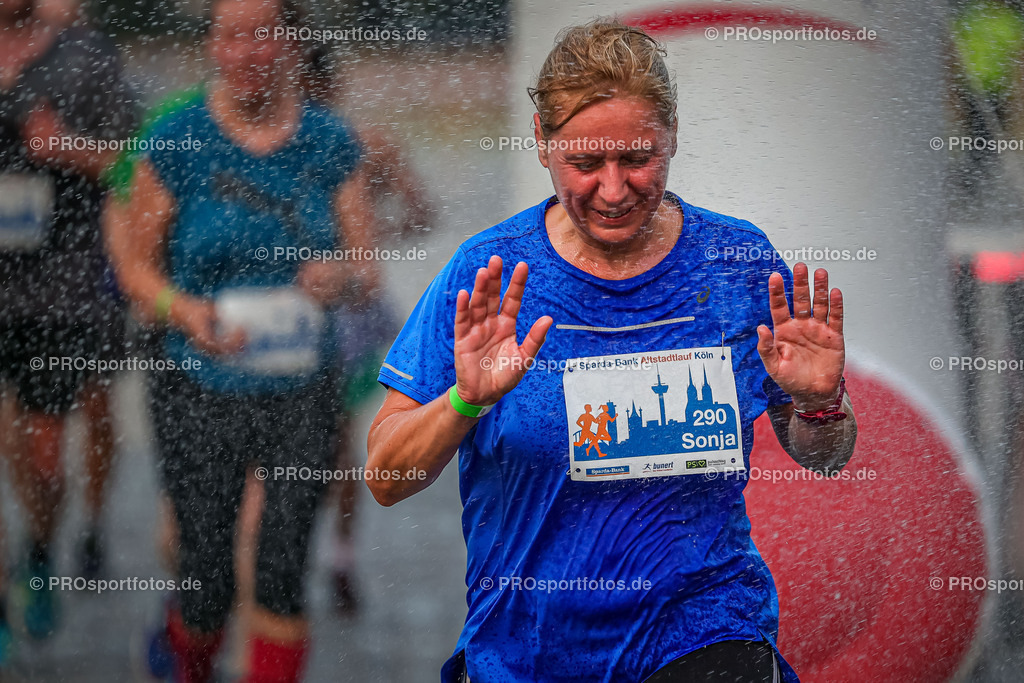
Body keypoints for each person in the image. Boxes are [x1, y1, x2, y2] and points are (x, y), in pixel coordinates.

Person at [367, 20, 858, 683]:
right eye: (587, 163)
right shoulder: (486, 274)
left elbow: (823, 456)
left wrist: (819, 402)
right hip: (528, 649)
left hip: (705, 629)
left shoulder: (735, 263)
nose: (615, 189)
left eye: (637, 158)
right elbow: (385, 479)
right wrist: (464, 400)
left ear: (673, 135)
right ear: (542, 142)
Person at [112, 0, 378, 679]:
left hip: (301, 386)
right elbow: (136, 266)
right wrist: (185, 308)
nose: (249, 51)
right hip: (198, 383)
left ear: (289, 44)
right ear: (213, 46)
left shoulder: (329, 141)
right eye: (234, 35)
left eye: (265, 35)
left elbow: (366, 268)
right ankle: (186, 650)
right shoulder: (175, 139)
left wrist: (338, 276)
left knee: (283, 566)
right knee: (205, 575)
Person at [1, 0, 136, 640]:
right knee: (17, 434)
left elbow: (134, 166)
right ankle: (18, 568)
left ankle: (60, 536)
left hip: (66, 288)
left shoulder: (85, 57)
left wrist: (66, 149)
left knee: (68, 429)